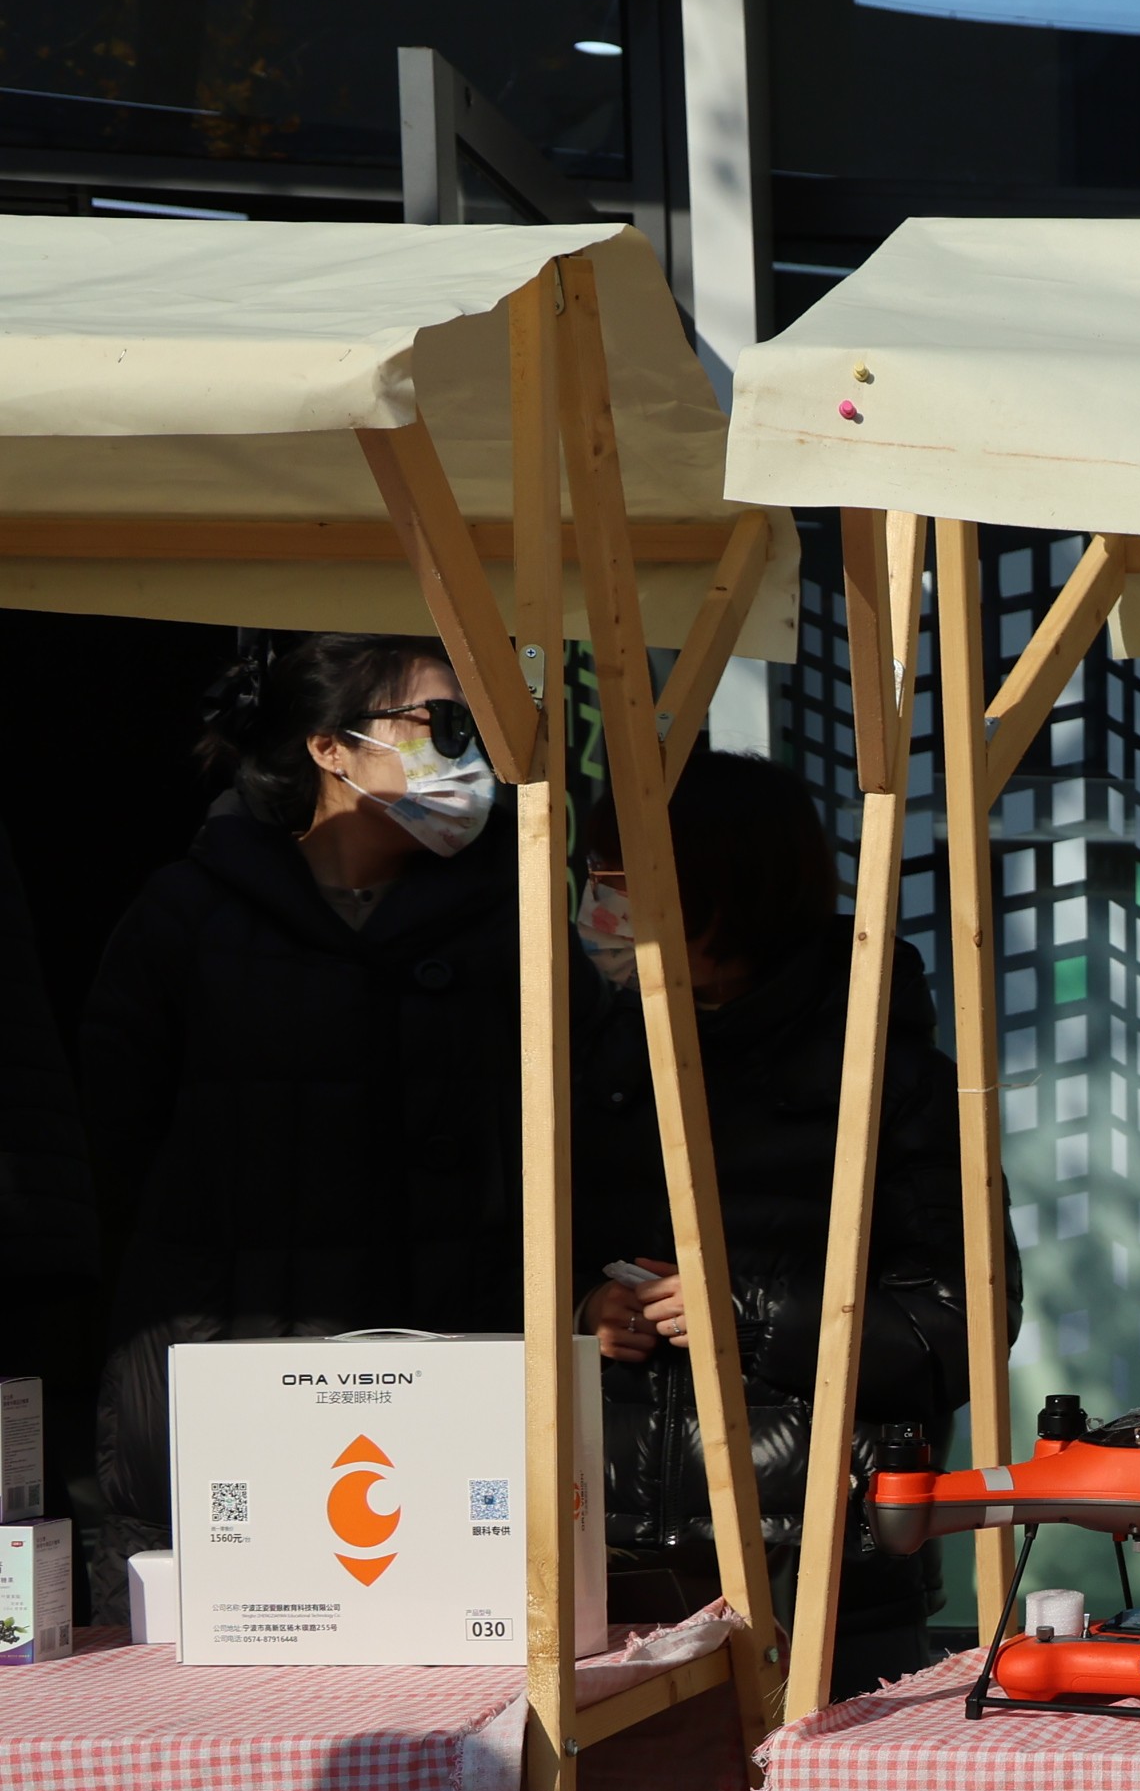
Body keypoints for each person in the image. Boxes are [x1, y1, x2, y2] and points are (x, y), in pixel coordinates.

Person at [575, 752, 1007, 1696]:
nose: (599, 905)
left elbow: (962, 1325)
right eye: (596, 874)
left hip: (831, 1575)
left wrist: (749, 1314)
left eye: (619, 878)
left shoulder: (888, 1076)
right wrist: (589, 1312)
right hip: (616, 1573)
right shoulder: (604, 1056)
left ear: (719, 892)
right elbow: (529, 1264)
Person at [78, 635, 516, 1561]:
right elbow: (116, 1130)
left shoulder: (509, 921)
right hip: (223, 1357)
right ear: (331, 747)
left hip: (444, 1375)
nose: (468, 754)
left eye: (478, 728)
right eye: (442, 723)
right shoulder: (190, 912)